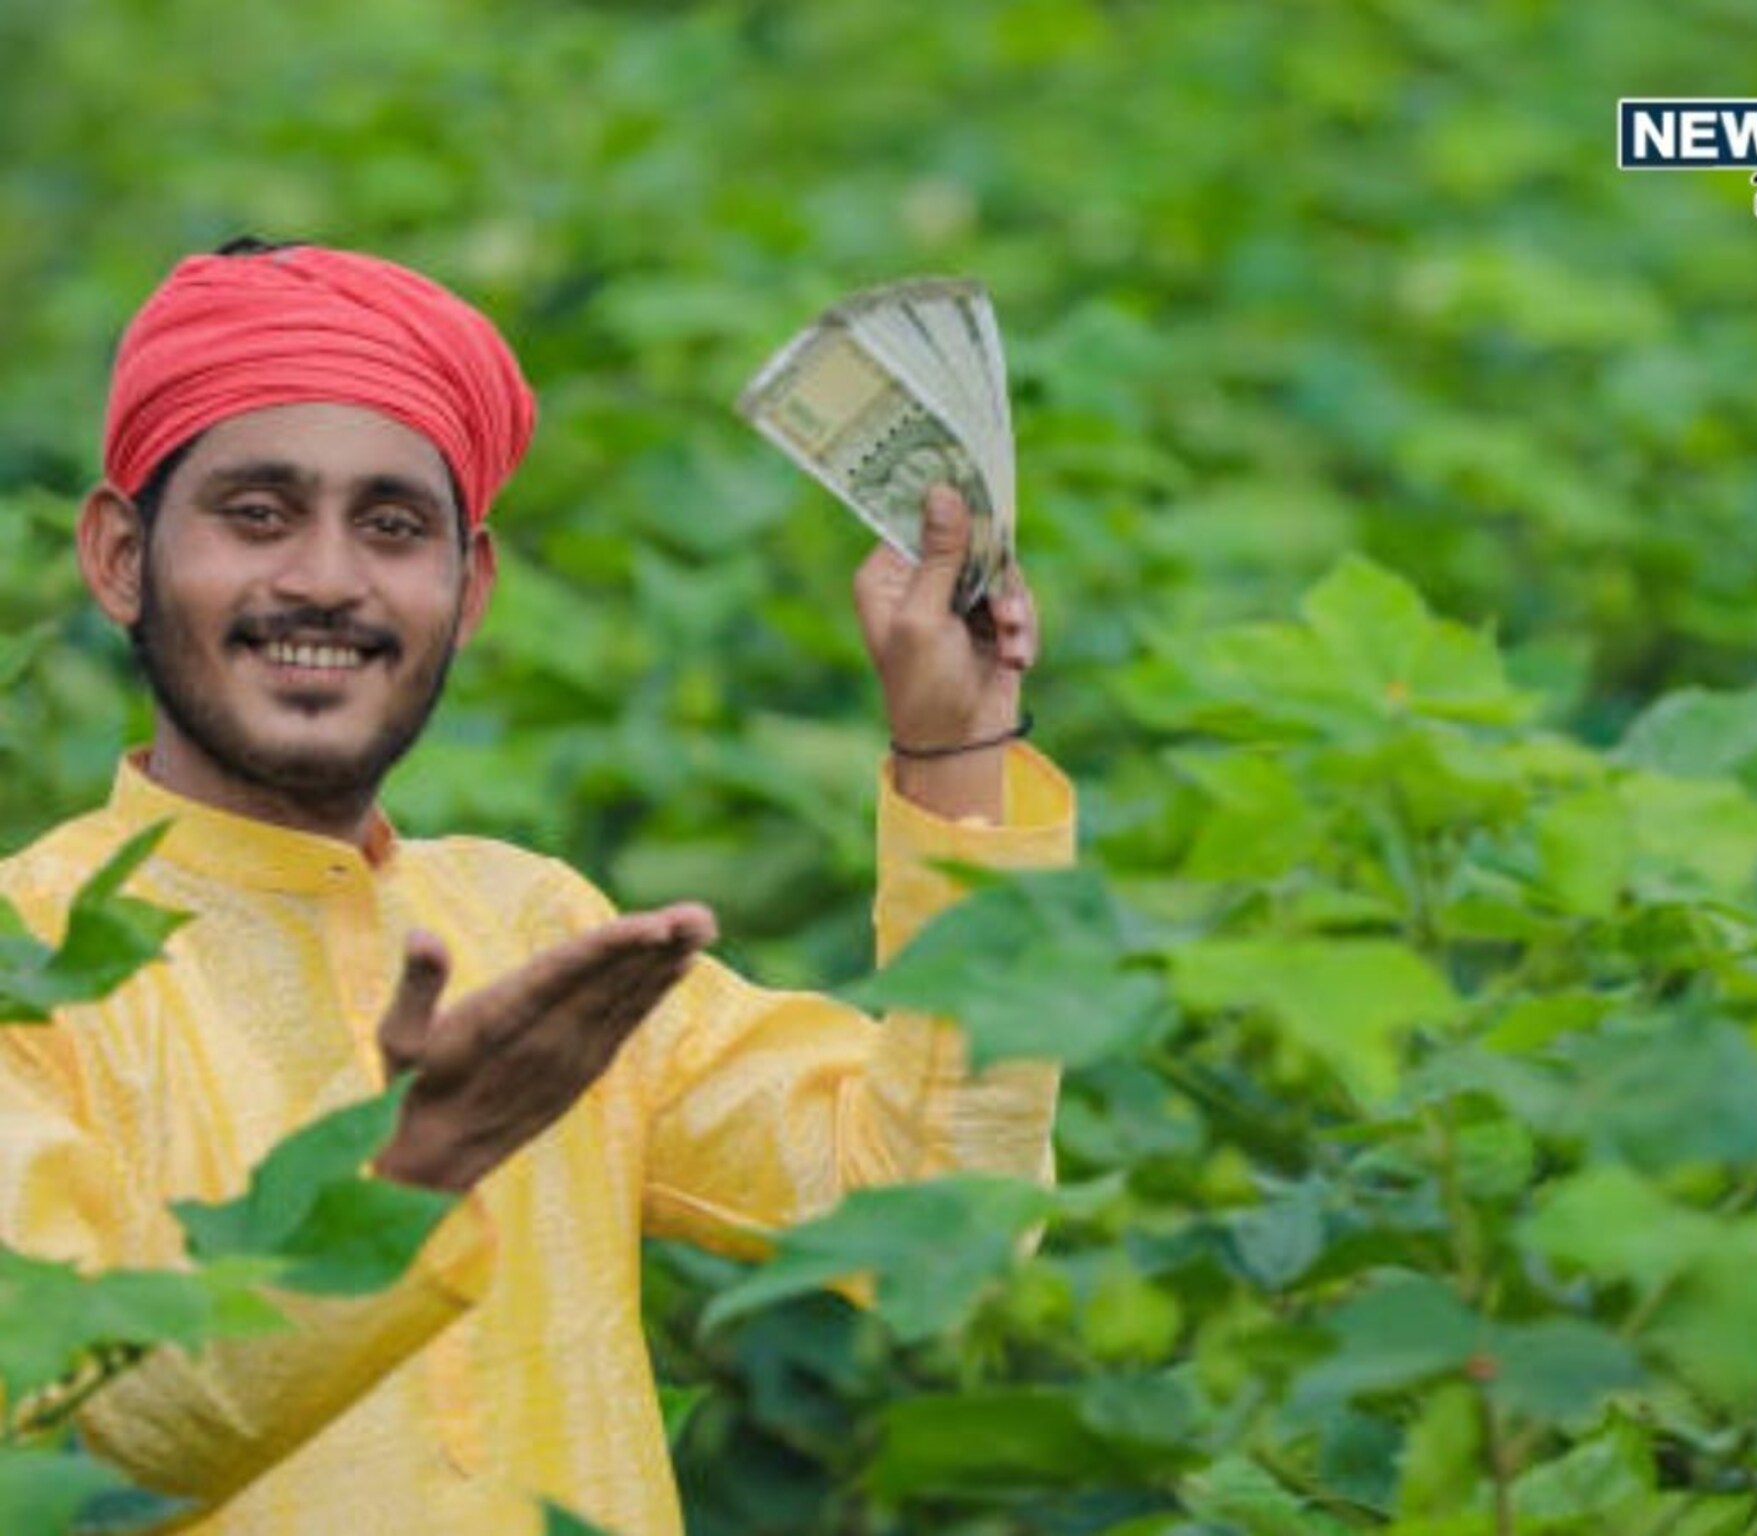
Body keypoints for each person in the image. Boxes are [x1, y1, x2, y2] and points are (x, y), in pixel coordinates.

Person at [0, 241, 1074, 1533]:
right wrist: (413, 1178)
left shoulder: (534, 930)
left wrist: (957, 758)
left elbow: (941, 1214)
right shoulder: (27, 963)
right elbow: (79, 1439)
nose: (329, 580)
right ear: (119, 556)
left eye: (394, 527)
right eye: (258, 513)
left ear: (471, 589)